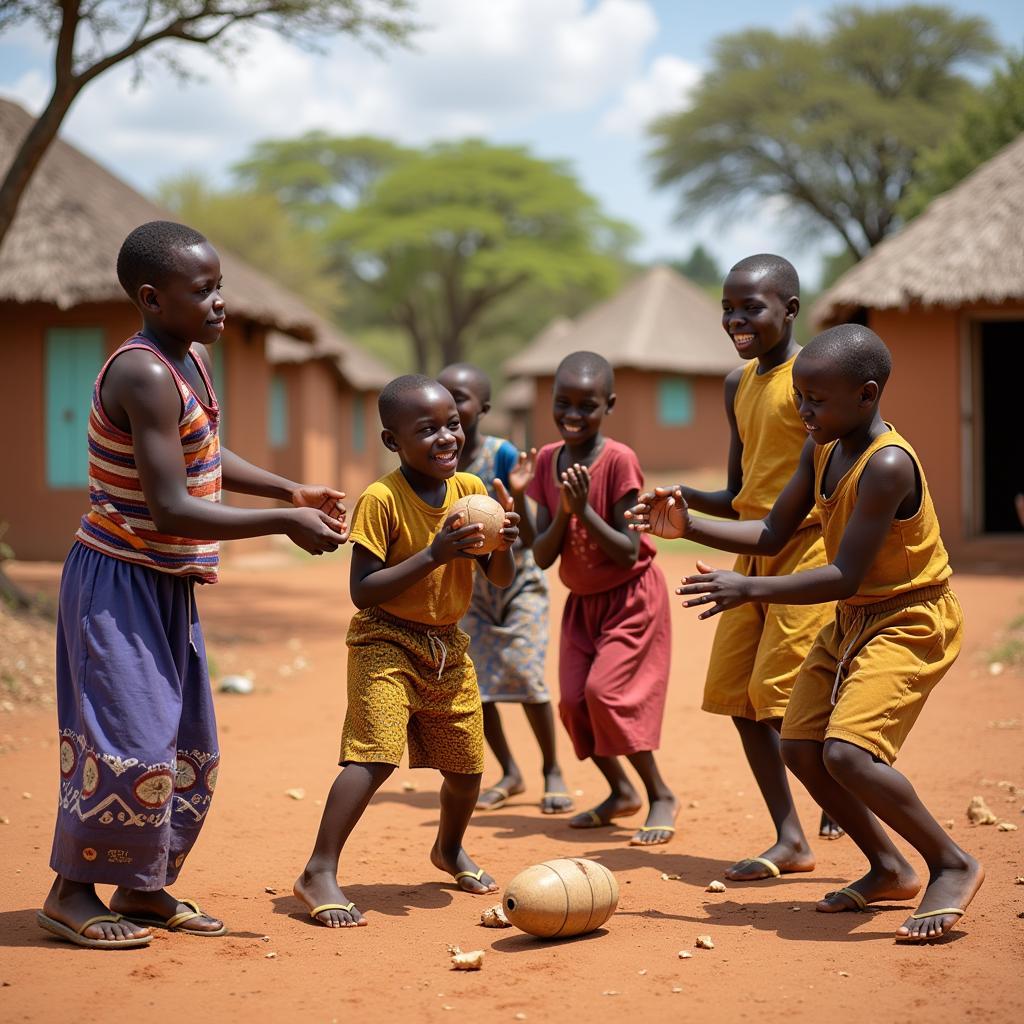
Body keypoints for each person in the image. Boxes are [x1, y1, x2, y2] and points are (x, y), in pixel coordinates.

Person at [39, 221, 348, 950]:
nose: (219, 303)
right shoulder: (140, 371)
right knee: (127, 743)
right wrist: (279, 522)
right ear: (152, 297)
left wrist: (290, 488)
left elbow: (205, 446)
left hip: (166, 582)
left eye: (219, 287)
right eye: (202, 290)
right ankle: (69, 893)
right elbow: (172, 504)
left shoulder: (191, 362)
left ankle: (142, 889)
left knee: (184, 743)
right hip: (119, 582)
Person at [632, 324, 982, 942]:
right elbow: (771, 533)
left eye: (816, 399)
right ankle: (887, 866)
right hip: (854, 620)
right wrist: (686, 524)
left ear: (867, 395)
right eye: (800, 396)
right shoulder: (821, 447)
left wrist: (749, 588)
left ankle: (951, 861)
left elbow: (845, 574)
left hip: (909, 618)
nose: (803, 409)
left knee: (847, 753)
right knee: (799, 745)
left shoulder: (887, 466)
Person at [638, 255, 841, 883]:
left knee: (782, 699)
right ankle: (790, 837)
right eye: (728, 308)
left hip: (806, 547)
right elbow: (740, 492)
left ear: (790, 309)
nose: (736, 320)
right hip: (751, 546)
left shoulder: (813, 384)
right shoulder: (738, 384)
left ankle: (848, 804)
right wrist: (682, 499)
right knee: (741, 700)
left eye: (751, 307)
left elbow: (813, 491)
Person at [293, 375, 519, 928]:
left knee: (466, 768)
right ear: (393, 441)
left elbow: (499, 576)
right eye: (427, 430)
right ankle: (318, 870)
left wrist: (506, 544)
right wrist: (435, 554)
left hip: (447, 645)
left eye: (452, 424)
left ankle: (448, 849)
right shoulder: (381, 499)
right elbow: (363, 589)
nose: (446, 437)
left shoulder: (471, 489)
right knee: (372, 756)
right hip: (385, 640)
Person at [526, 352, 677, 846]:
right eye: (562, 403)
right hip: (582, 603)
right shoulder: (548, 460)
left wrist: (581, 511)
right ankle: (620, 792)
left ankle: (659, 795)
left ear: (608, 405)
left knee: (605, 694)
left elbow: (627, 548)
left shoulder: (619, 460)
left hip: (630, 598)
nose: (572, 415)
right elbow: (543, 556)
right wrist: (560, 513)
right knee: (573, 702)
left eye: (586, 405)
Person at [436, 364, 572, 815]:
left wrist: (517, 495)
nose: (451, 408)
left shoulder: (504, 455)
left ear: (484, 408)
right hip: (469, 589)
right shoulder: (437, 462)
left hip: (518, 582)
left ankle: (552, 767)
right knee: (478, 686)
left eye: (460, 399)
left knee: (526, 674)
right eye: (443, 397)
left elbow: (531, 538)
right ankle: (510, 772)